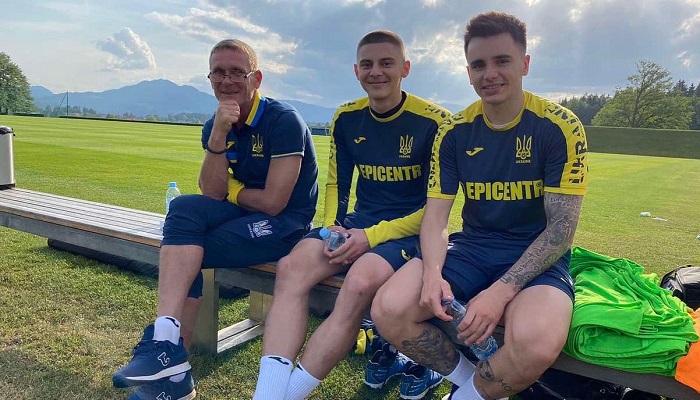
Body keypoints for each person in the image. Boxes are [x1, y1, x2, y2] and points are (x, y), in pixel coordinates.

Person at [371, 11, 589, 400]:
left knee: (537, 343)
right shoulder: (454, 131)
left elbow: (560, 231)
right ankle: (470, 381)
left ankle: (465, 395)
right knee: (389, 309)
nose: (490, 74)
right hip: (472, 248)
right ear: (468, 72)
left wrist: (500, 291)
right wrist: (433, 274)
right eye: (478, 65)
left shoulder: (559, 125)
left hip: (536, 255)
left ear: (525, 64)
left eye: (502, 61)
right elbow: (436, 216)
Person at [111, 38, 319, 400]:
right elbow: (210, 192)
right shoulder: (215, 125)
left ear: (256, 78)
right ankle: (165, 342)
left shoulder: (283, 120)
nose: (227, 80)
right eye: (218, 72)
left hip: (286, 226)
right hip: (242, 216)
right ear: (209, 78)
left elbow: (273, 203)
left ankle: (175, 377)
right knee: (183, 209)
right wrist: (220, 133)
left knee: (187, 252)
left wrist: (234, 191)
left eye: (237, 72)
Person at [252, 30, 451, 400]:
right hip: (358, 223)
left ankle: (284, 396)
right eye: (367, 64)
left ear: (405, 68)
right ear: (356, 71)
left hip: (409, 231)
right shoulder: (346, 116)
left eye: (387, 63)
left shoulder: (435, 121)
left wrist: (371, 238)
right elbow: (337, 184)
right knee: (291, 268)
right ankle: (268, 394)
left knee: (358, 283)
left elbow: (435, 210)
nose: (376, 72)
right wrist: (334, 226)